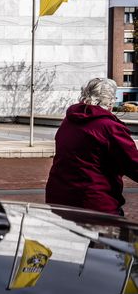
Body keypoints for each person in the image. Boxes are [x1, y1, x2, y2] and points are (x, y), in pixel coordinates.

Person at [45, 78, 138, 216]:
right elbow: (133, 164)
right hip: (94, 203)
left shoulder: (70, 120)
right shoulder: (109, 127)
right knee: (113, 236)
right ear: (110, 101)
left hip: (59, 199)